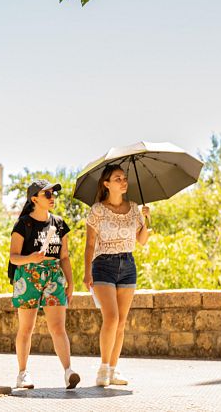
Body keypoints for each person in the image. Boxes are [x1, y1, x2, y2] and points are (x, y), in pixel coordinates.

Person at [83, 164, 150, 387]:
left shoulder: (133, 208)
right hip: (103, 265)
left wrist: (146, 219)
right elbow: (90, 244)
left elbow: (141, 241)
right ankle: (103, 369)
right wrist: (86, 272)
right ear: (106, 184)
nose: (123, 181)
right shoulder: (97, 210)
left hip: (128, 265)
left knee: (121, 322)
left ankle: (113, 369)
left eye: (124, 178)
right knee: (110, 318)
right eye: (118, 178)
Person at [9, 180, 80, 389]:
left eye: (53, 194)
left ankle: (68, 371)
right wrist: (31, 257)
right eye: (47, 194)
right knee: (26, 327)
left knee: (58, 327)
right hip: (28, 275)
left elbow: (64, 256)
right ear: (34, 199)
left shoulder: (59, 223)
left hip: (53, 275)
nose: (52, 197)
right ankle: (22, 373)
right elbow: (14, 257)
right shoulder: (23, 224)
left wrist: (70, 282)